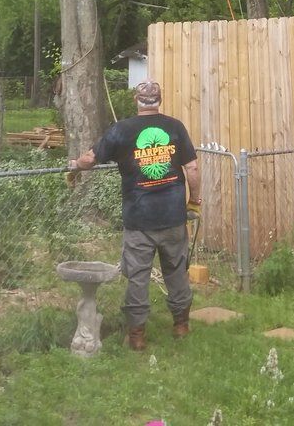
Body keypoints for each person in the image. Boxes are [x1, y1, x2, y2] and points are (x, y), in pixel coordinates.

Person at [68, 80, 201, 351]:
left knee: (138, 277)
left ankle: (138, 336)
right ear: (159, 100)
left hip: (139, 220)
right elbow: (193, 168)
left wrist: (74, 168)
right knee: (176, 271)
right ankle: (181, 325)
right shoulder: (175, 127)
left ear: (136, 100)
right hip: (174, 217)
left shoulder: (121, 130)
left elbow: (91, 158)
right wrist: (194, 202)